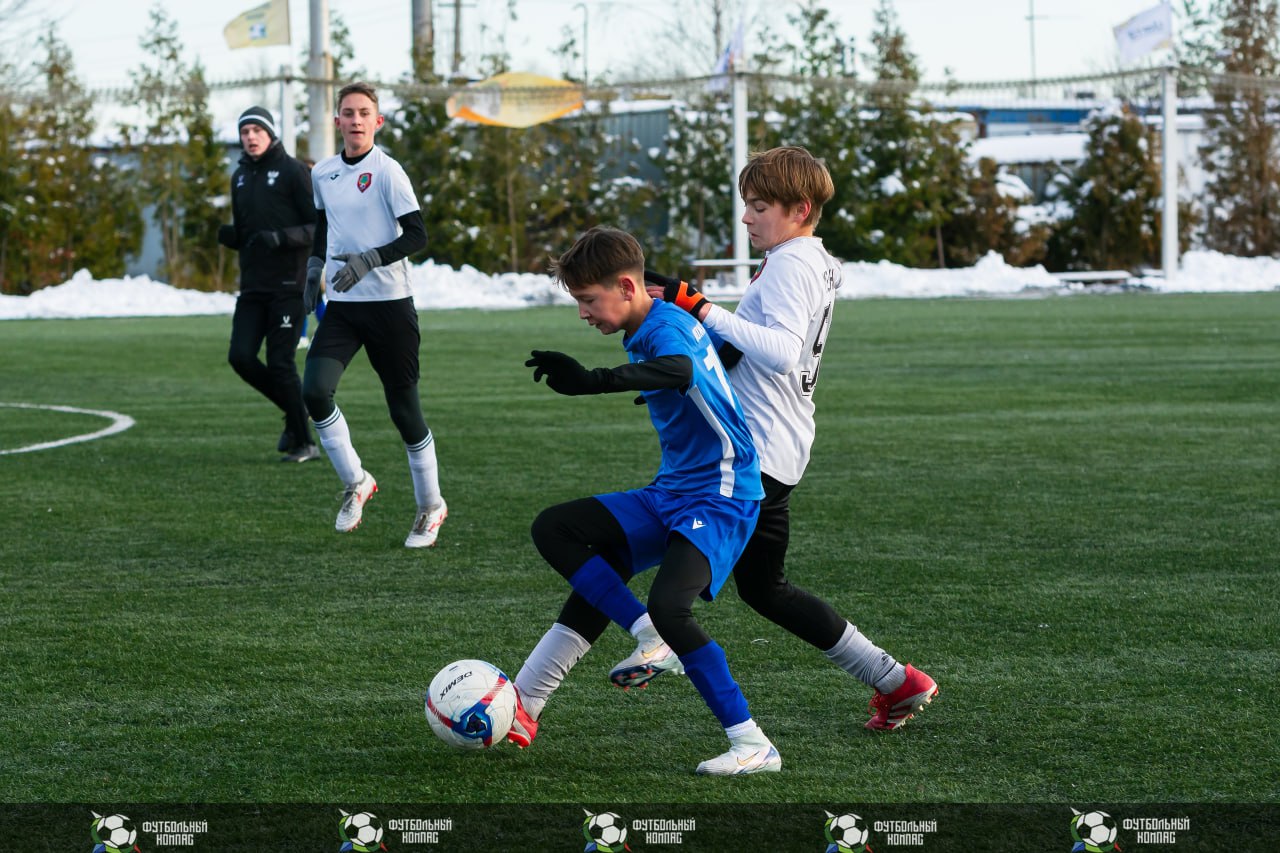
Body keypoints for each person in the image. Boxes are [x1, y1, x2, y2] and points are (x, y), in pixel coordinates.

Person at [646, 146, 938, 731]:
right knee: (763, 588)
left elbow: (779, 352)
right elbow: (764, 340)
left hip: (755, 452)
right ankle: (895, 680)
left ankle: (644, 642)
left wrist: (696, 305)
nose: (747, 218)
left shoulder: (791, 264)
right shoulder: (808, 259)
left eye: (759, 206)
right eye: (746, 205)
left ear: (800, 208)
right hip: (777, 446)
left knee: (648, 535)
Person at [510, 226, 780, 776]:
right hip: (674, 491)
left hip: (724, 492)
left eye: (588, 300)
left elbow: (679, 368)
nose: (583, 313)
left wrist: (591, 381)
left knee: (670, 608)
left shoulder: (663, 326)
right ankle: (526, 705)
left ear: (627, 287)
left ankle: (752, 743)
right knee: (556, 530)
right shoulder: (649, 321)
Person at [301, 82, 447, 548]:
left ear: (377, 121)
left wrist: (369, 259)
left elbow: (417, 235)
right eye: (349, 113)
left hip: (390, 307)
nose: (357, 120)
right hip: (344, 309)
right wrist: (314, 265)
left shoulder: (388, 172)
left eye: (366, 112)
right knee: (315, 391)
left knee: (405, 413)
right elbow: (324, 222)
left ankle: (430, 506)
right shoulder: (323, 173)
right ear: (337, 121)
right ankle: (357, 481)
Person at [217, 105, 319, 463]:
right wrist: (233, 237)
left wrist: (281, 238)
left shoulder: (293, 171)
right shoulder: (240, 177)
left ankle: (305, 442)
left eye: (257, 131)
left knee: (280, 363)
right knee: (240, 357)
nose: (250, 137)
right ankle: (296, 410)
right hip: (253, 287)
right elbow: (249, 233)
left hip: (289, 285)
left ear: (271, 133)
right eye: (245, 132)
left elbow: (318, 227)